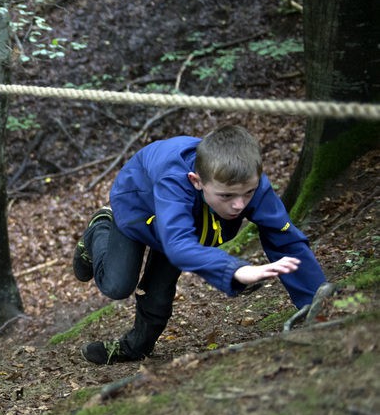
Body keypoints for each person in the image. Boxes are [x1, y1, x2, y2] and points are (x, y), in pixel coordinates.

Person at [72, 124, 328, 365]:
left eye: (247, 193)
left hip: (182, 221)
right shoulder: (174, 179)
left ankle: (134, 347)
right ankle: (100, 228)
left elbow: (286, 239)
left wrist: (317, 303)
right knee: (118, 285)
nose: (240, 205)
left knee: (159, 293)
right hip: (139, 207)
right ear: (197, 180)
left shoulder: (247, 180)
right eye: (227, 196)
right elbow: (178, 245)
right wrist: (234, 270)